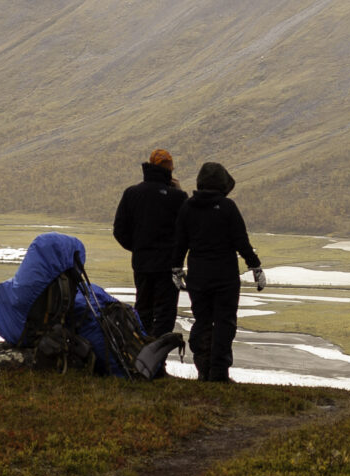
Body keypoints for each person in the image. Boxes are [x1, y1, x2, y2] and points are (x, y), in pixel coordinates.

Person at [169, 161, 261, 383]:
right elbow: (241, 241)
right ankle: (219, 373)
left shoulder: (188, 207)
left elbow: (180, 241)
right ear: (222, 183)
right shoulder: (227, 207)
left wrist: (176, 268)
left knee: (202, 321)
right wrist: (255, 265)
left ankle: (203, 370)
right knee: (225, 322)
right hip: (225, 275)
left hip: (198, 275)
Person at [110, 150, 188, 338]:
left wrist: (138, 247)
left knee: (143, 310)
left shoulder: (132, 193)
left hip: (142, 263)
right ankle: (157, 362)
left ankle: (141, 358)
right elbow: (188, 229)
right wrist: (180, 192)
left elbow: (119, 230)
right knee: (165, 315)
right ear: (168, 168)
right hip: (167, 266)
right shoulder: (177, 198)